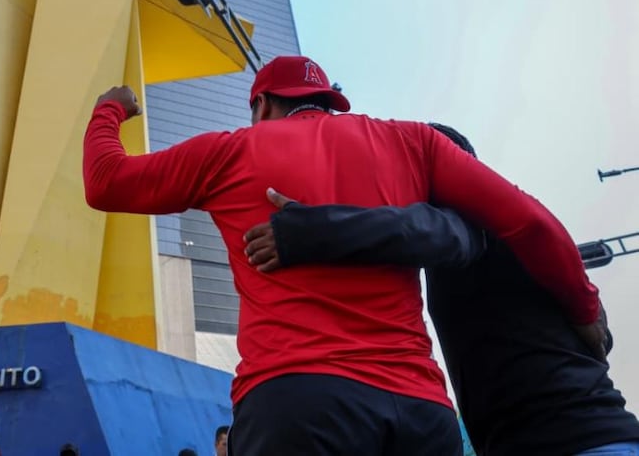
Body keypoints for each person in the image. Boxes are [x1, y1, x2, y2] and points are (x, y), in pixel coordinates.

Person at [82, 55, 602, 456]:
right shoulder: (413, 142)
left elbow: (105, 182)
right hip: (420, 412)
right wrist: (584, 313)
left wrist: (112, 108)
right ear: (327, 101)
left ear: (262, 104)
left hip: (297, 404)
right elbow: (532, 222)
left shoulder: (229, 151)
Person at [242, 123, 639, 455]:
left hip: (569, 441)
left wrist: (311, 230)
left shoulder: (474, 225)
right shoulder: (528, 240)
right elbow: (602, 343)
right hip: (592, 436)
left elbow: (409, 230)